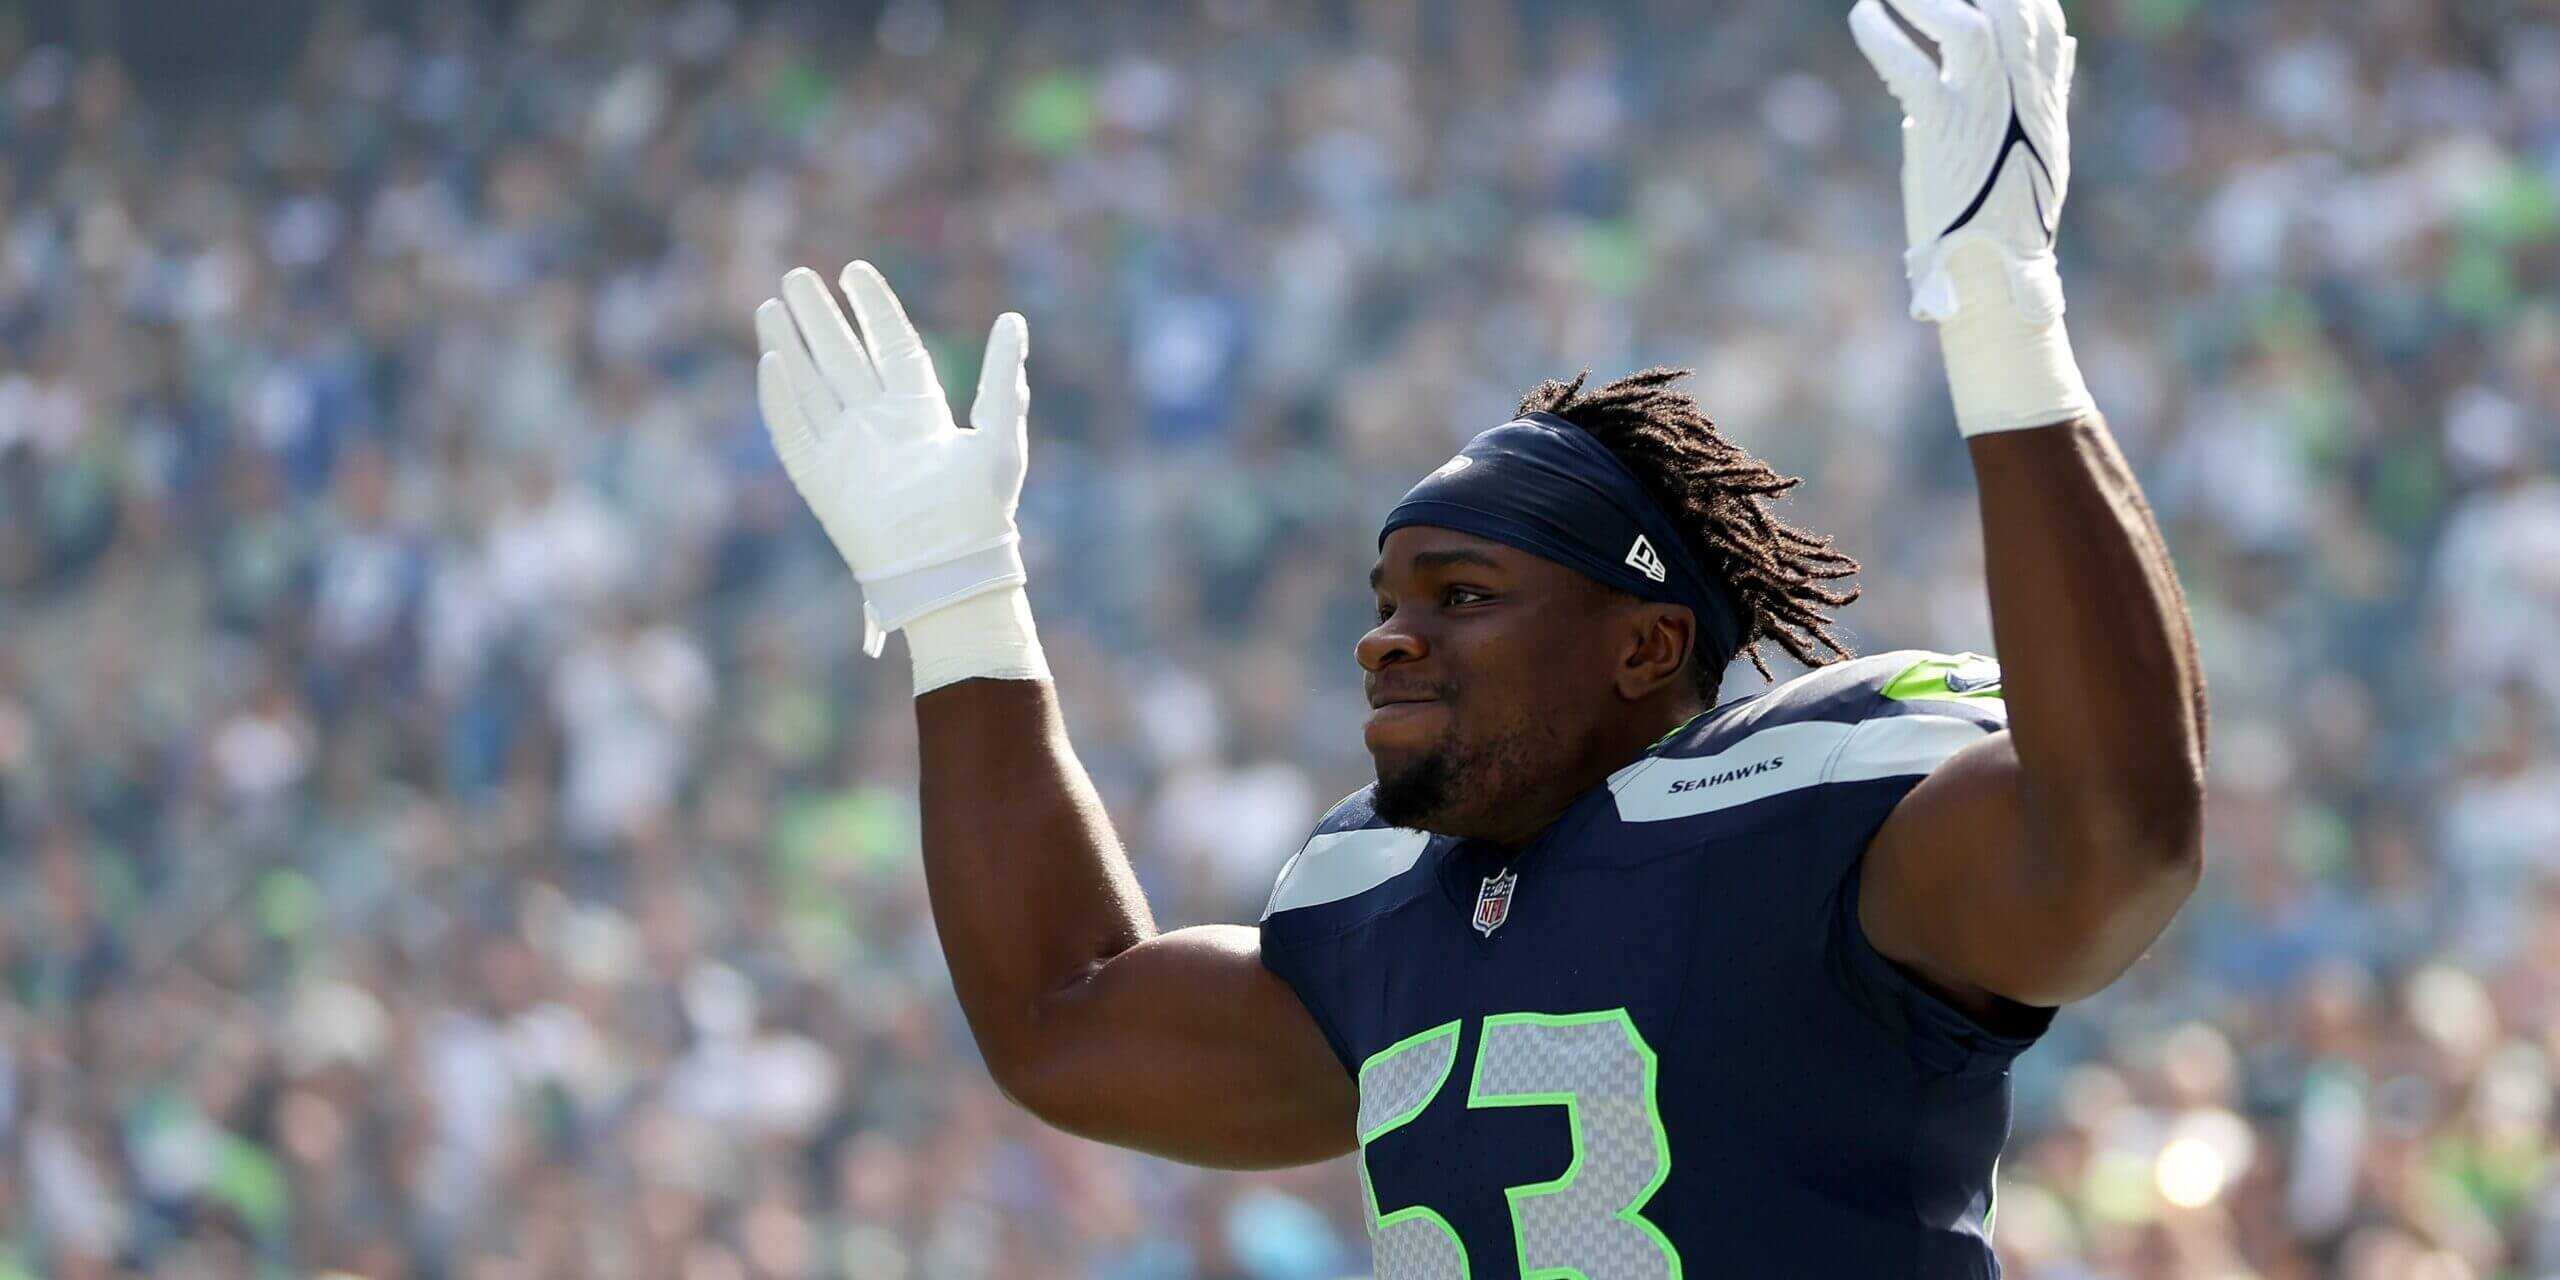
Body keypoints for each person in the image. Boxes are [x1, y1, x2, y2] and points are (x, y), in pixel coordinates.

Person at [747, 0, 2206, 1273]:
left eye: (1462, 596)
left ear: (1643, 648)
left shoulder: (1815, 813)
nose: (1387, 642)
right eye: (1386, 601)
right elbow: (1062, 1022)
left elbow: (2119, 836)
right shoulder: (1383, 908)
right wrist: (955, 593)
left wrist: (2003, 313)